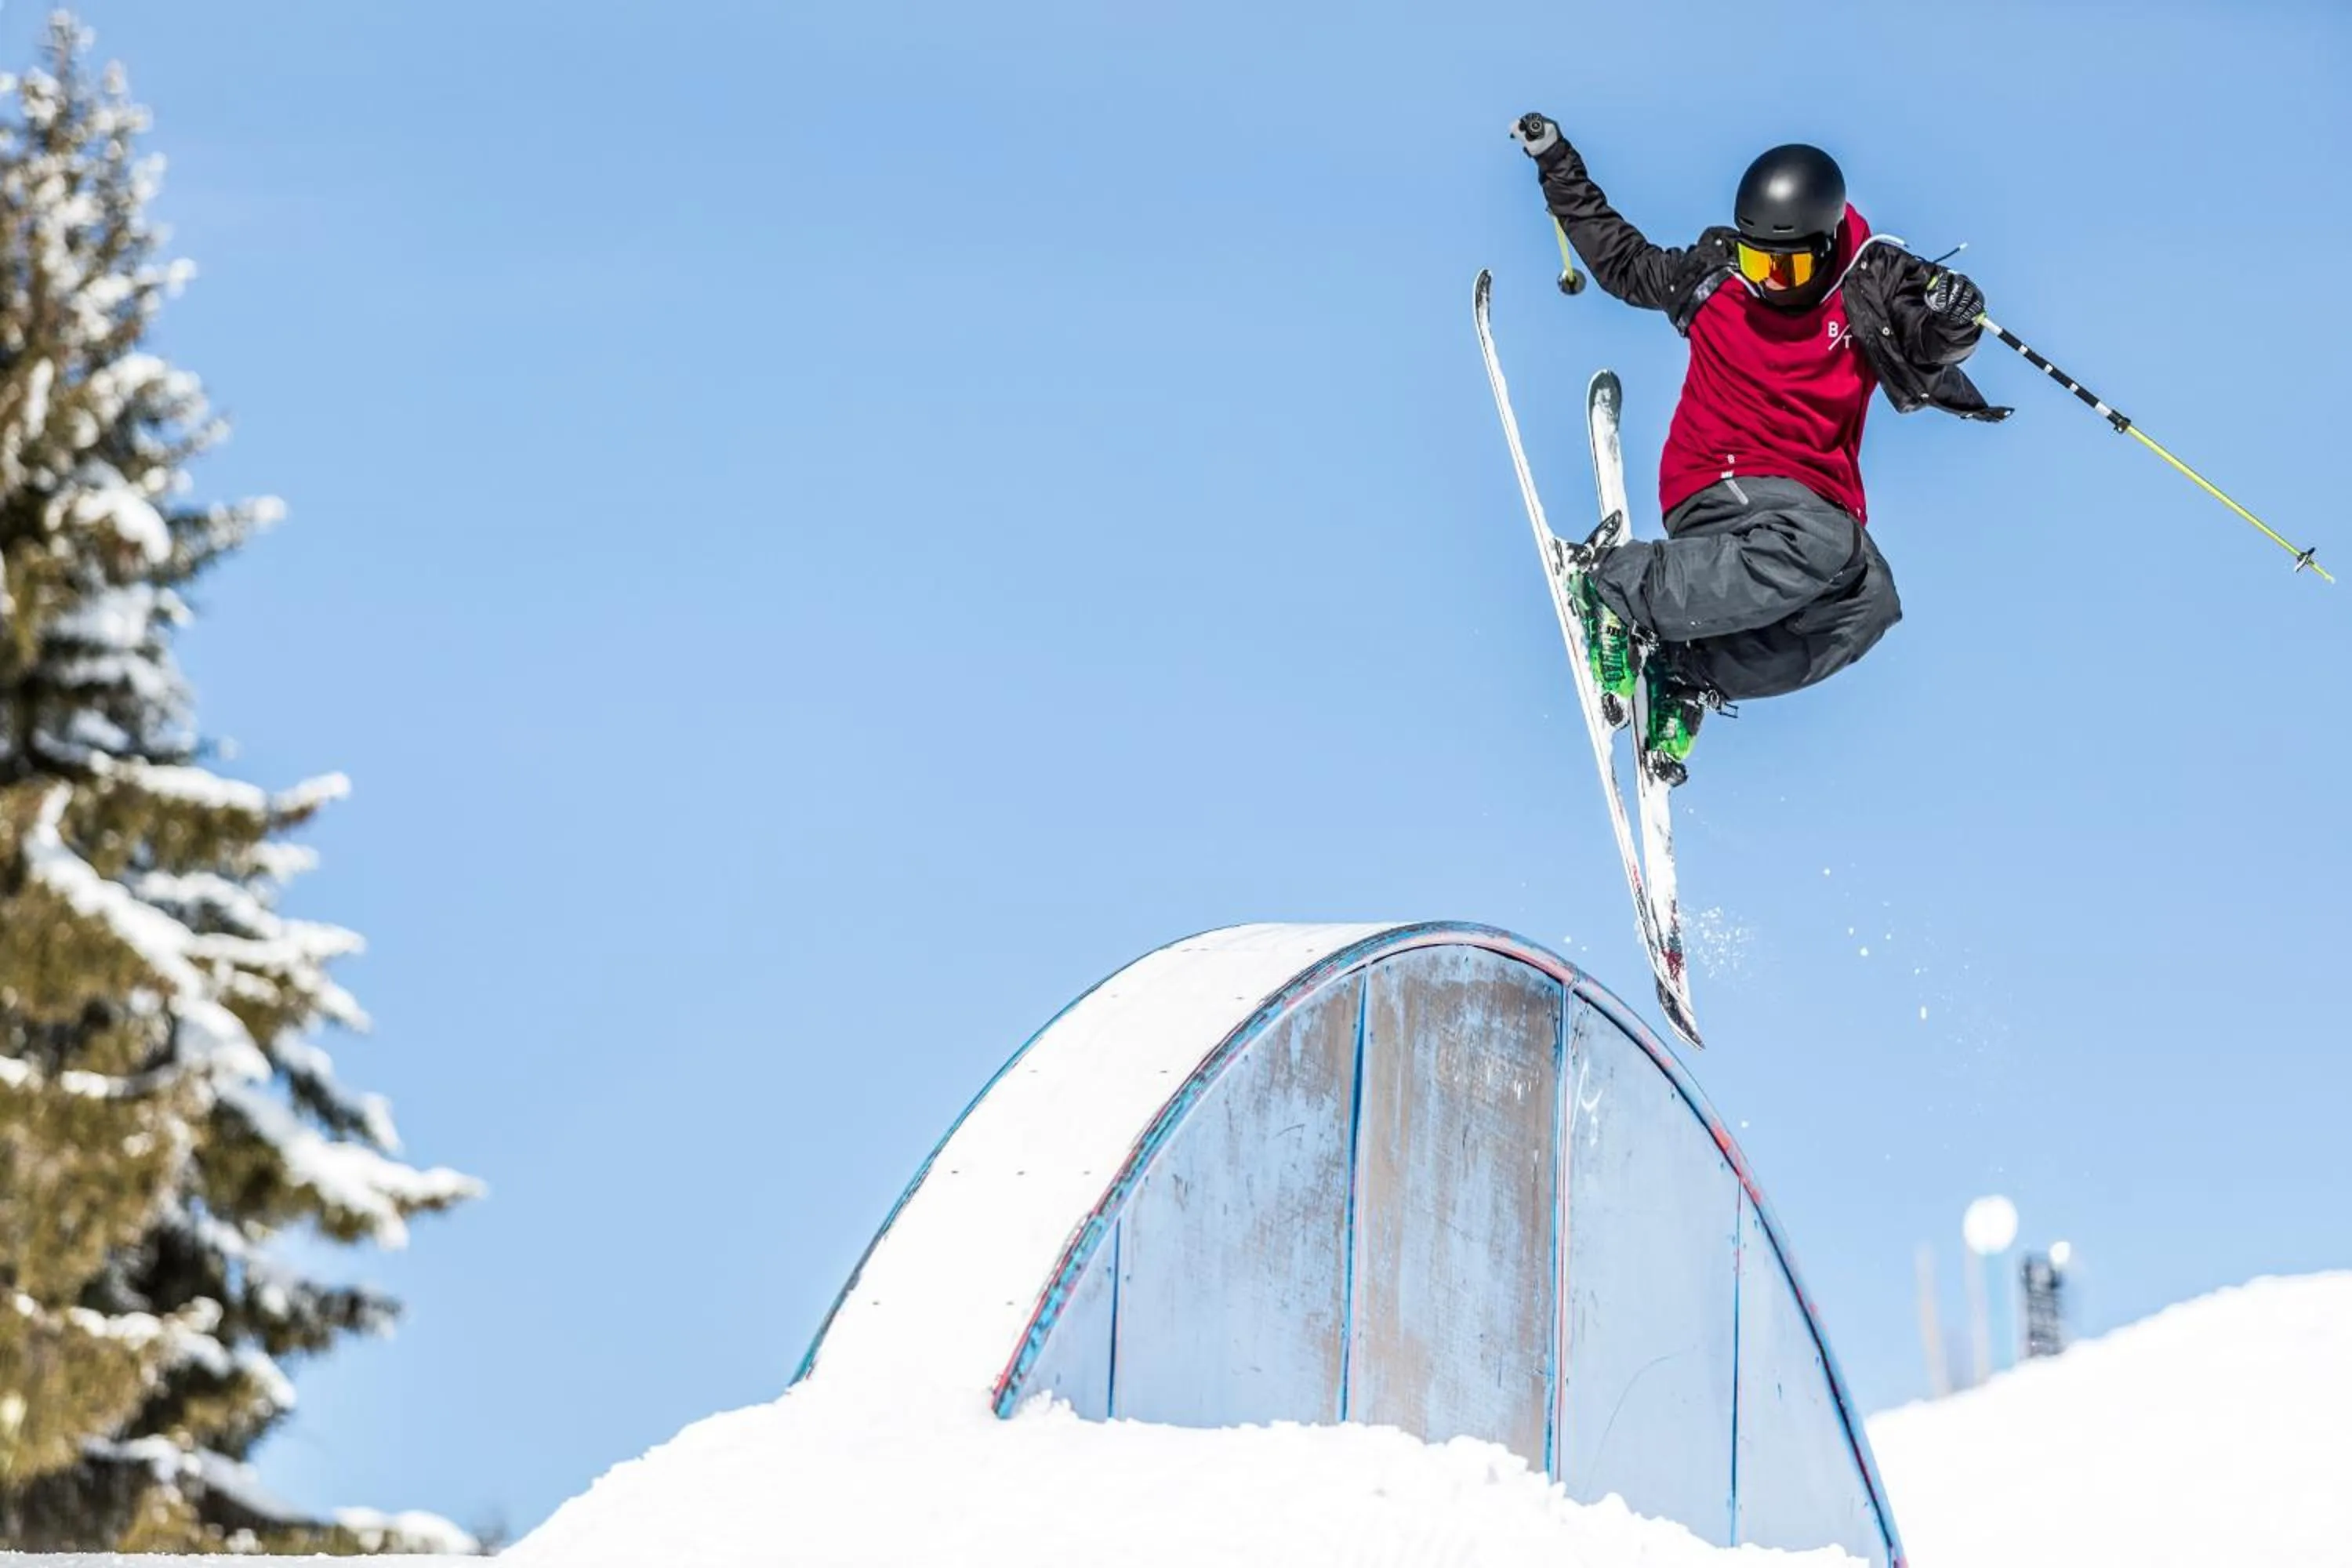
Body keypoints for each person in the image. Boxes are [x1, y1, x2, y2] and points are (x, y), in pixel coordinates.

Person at [1510, 113, 2009, 782]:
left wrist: (1954, 320)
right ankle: (1615, 585)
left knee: (1868, 604)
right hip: (1719, 480)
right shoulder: (1716, 280)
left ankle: (1687, 671)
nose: (1769, 279)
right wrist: (1556, 162)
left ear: (1825, 247)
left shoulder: (1868, 288)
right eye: (1756, 260)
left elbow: (1927, 339)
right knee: (1825, 543)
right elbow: (1621, 261)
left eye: (1787, 264)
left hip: (1809, 508)